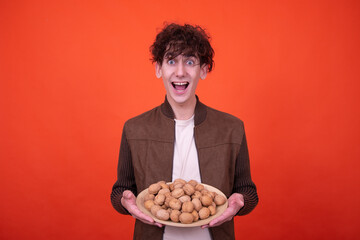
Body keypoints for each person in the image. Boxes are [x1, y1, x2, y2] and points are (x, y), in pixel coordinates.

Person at [111, 23, 258, 240]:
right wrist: (124, 201)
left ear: (204, 70)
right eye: (171, 61)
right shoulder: (134, 128)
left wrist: (240, 201)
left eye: (190, 61)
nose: (180, 72)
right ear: (159, 69)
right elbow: (120, 190)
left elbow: (248, 191)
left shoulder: (231, 128)